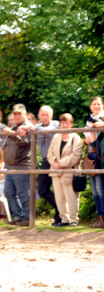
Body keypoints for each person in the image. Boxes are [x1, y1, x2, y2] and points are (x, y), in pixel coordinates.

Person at [47, 113, 83, 227]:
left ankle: (74, 219)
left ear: (71, 124)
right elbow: (50, 153)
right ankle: (64, 219)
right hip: (56, 171)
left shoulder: (76, 138)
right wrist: (55, 163)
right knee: (59, 196)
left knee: (71, 196)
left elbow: (75, 157)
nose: (65, 125)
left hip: (70, 170)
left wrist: (60, 164)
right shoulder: (56, 136)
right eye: (63, 123)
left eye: (67, 122)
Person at [2, 104, 34, 226]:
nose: (16, 116)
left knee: (23, 194)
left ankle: (27, 218)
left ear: (25, 114)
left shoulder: (28, 127)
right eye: (15, 114)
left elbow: (24, 143)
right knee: (8, 192)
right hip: (10, 166)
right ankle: (17, 215)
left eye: (19, 113)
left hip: (22, 165)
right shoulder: (15, 127)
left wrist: (11, 133)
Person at [30, 106, 61, 224]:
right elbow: (28, 128)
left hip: (56, 160)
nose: (45, 117)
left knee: (58, 189)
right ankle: (60, 210)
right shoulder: (37, 127)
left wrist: (34, 129)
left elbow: (51, 130)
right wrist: (27, 127)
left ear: (52, 116)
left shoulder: (56, 125)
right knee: (42, 190)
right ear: (39, 116)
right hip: (45, 161)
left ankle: (60, 216)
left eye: (47, 114)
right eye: (42, 115)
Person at [84, 96, 104, 228]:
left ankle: (102, 218)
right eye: (94, 104)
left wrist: (100, 125)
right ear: (90, 106)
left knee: (100, 188)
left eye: (99, 104)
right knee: (95, 190)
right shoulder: (89, 120)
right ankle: (99, 217)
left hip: (101, 154)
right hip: (92, 153)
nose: (96, 106)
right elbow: (89, 140)